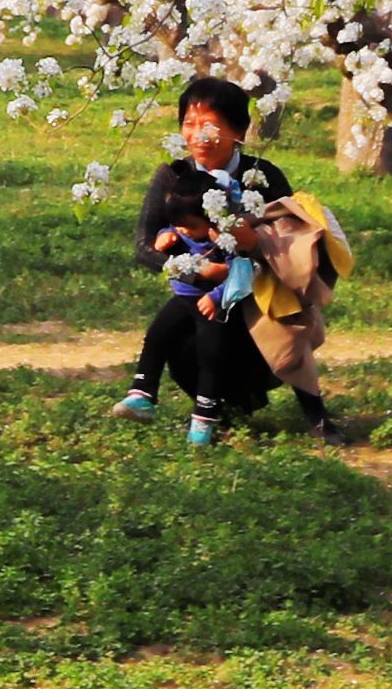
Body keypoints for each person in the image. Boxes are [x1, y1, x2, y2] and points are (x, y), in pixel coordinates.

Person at [117, 74, 294, 445]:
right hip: (193, 295)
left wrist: (240, 265)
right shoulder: (173, 175)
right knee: (173, 336)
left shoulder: (261, 177)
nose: (198, 135)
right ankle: (187, 407)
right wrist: (199, 273)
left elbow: (290, 246)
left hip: (252, 299)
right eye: (189, 124)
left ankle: (234, 404)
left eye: (210, 125)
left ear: (239, 131)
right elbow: (143, 245)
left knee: (224, 339)